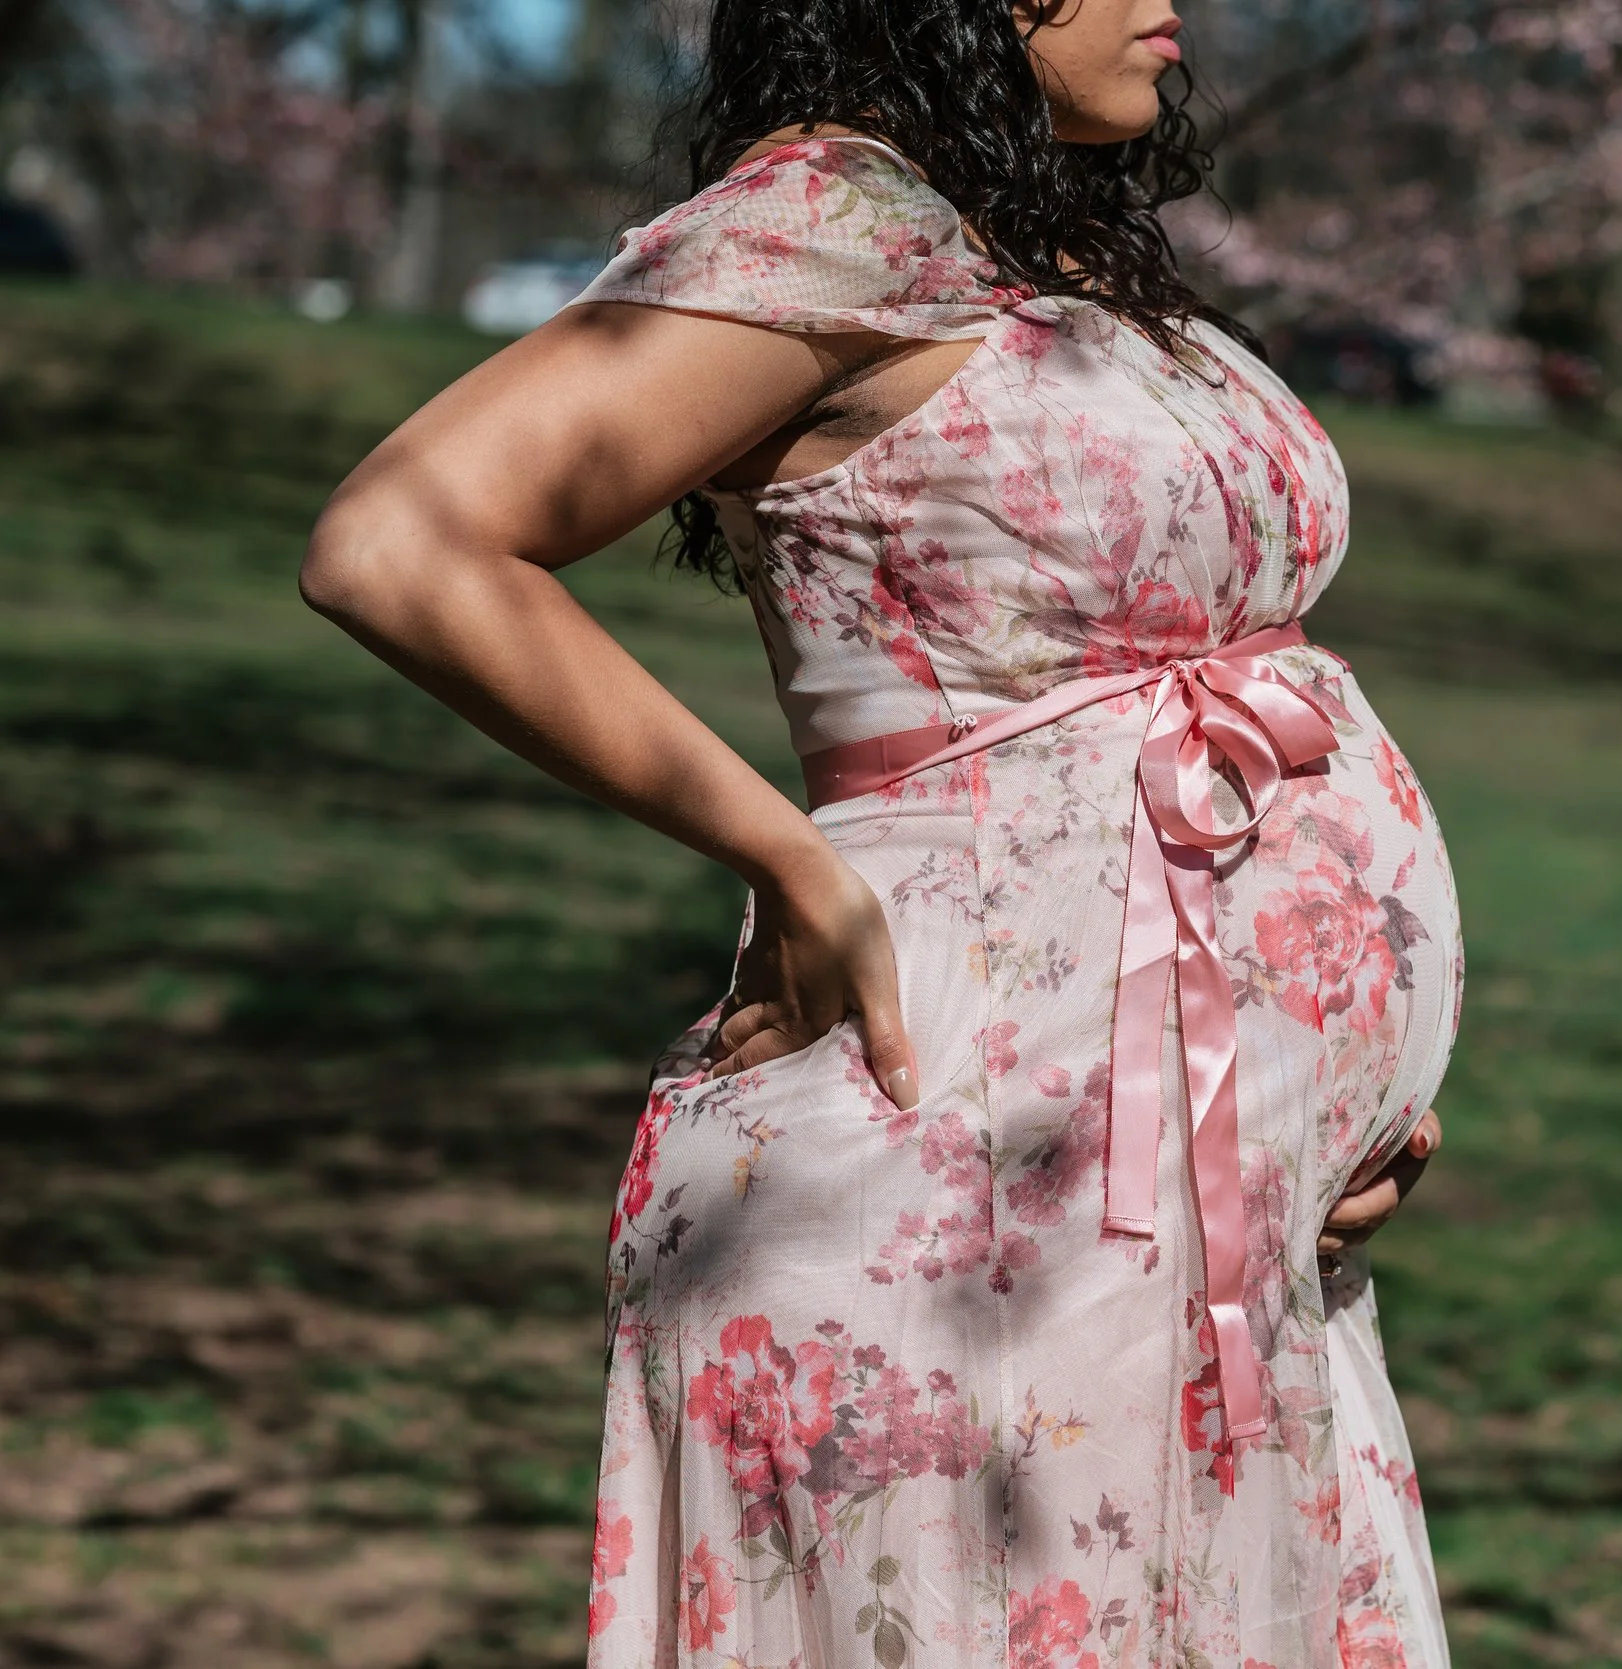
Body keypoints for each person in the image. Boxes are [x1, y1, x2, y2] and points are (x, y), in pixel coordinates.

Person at [300, 2, 1463, 1664]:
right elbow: (402, 539)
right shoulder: (839, 217)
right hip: (971, 1186)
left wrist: (1328, 1113)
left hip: (1182, 1220)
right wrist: (782, 854)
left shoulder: (1057, 252)